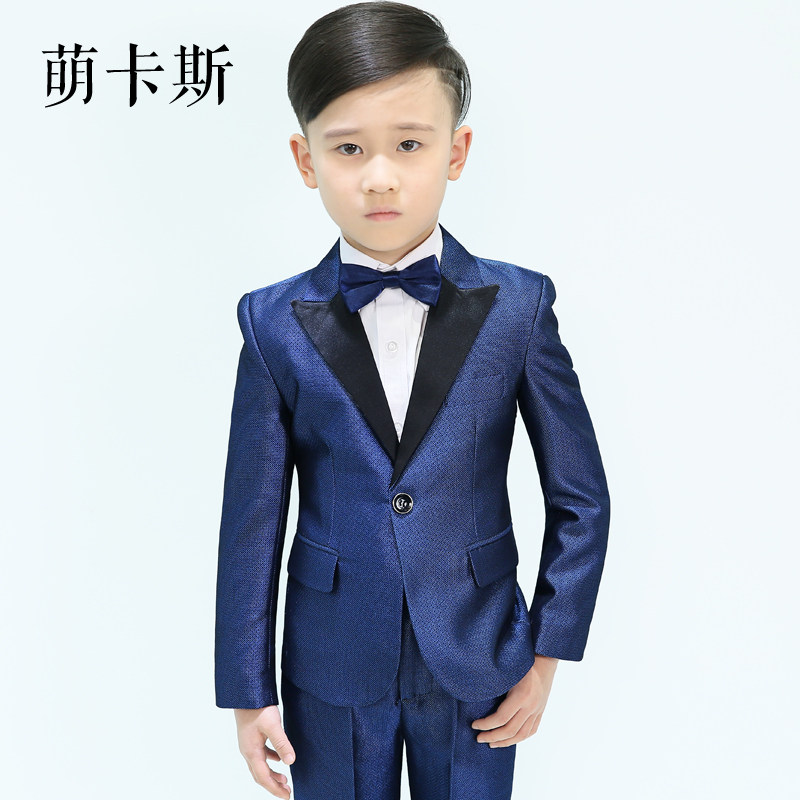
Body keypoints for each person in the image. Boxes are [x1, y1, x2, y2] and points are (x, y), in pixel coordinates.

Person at [214, 3, 611, 798]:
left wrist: (546, 656)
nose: (380, 176)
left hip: (481, 657)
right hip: (331, 663)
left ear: (455, 150)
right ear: (304, 159)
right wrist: (247, 692)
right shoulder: (271, 323)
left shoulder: (519, 308)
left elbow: (581, 500)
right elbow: (251, 523)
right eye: (348, 148)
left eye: (409, 144)